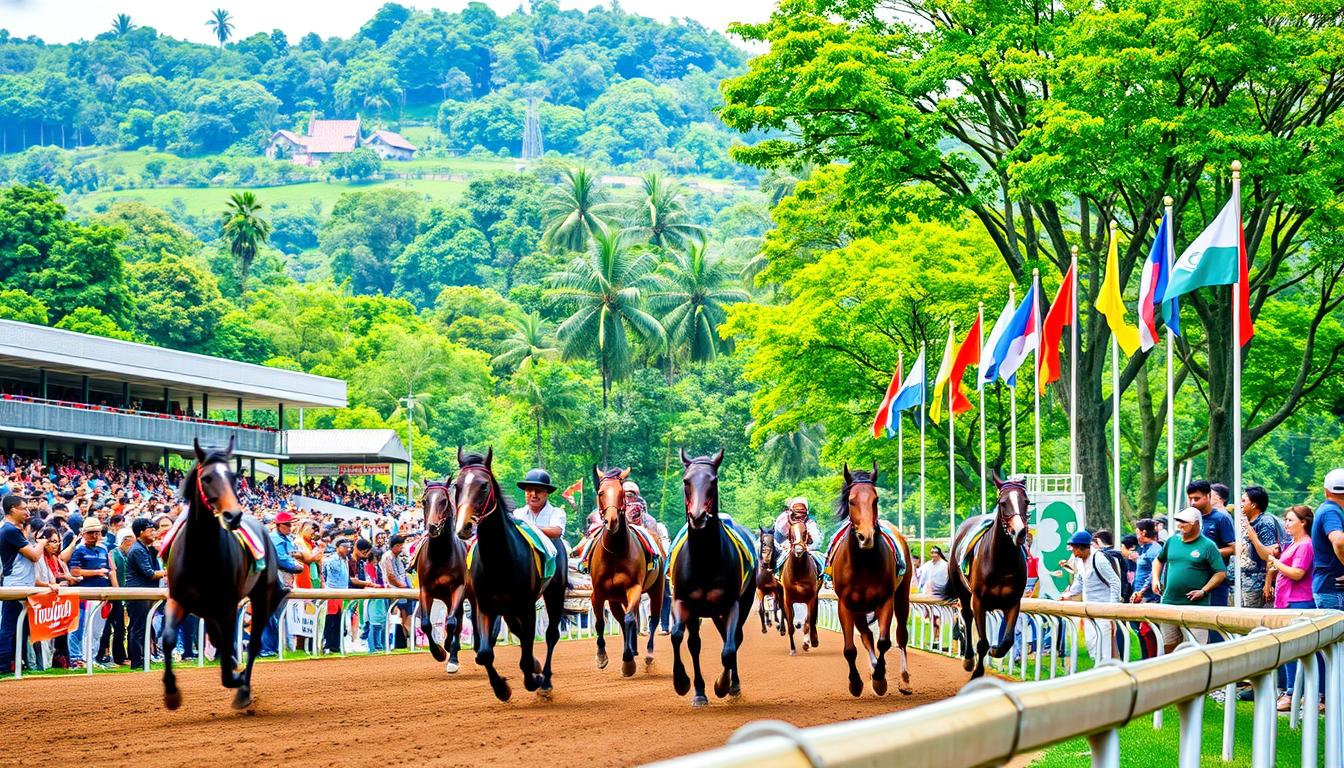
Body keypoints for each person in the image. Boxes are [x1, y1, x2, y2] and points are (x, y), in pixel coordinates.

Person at [1151, 507, 1227, 653]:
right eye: (1178, 521)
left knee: (1197, 648)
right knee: (1168, 644)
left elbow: (1220, 573)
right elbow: (1158, 560)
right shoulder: (1172, 541)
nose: (1179, 525)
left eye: (1184, 522)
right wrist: (1155, 579)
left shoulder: (1208, 546)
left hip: (1196, 606)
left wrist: (1203, 591)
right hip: (1169, 603)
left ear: (1196, 523)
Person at [1268, 504, 1316, 711]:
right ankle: (1293, 692)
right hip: (1285, 601)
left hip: (1299, 601)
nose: (1286, 524)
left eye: (1290, 520)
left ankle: (1294, 693)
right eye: (1286, 520)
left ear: (1303, 522)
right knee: (1288, 649)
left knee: (1295, 649)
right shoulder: (1293, 544)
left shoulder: (1305, 545)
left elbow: (1297, 573)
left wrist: (1275, 563)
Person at [1059, 530, 1121, 660]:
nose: (1073, 553)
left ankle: (1105, 674)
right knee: (1092, 645)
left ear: (1082, 548)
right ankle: (1098, 672)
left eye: (1074, 549)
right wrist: (1069, 595)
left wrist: (1112, 609)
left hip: (1104, 611)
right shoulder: (1080, 561)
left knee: (1104, 649)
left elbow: (1115, 582)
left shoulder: (1099, 559)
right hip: (1089, 609)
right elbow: (1079, 580)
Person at [64, 515, 117, 668]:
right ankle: (76, 659)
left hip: (102, 594)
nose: (95, 535)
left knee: (97, 629)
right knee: (79, 627)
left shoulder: (103, 548)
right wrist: (96, 572)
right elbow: (74, 571)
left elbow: (110, 569)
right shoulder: (79, 550)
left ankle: (91, 657)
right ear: (84, 534)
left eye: (97, 532)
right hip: (85, 595)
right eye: (91, 532)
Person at [0, 495, 41, 675]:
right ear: (12, 509)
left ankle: (17, 663)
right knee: (9, 628)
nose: (27, 511)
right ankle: (2, 666)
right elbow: (34, 556)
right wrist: (42, 542)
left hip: (19, 583)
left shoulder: (9, 529)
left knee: (19, 627)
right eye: (23, 508)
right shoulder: (9, 530)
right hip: (15, 584)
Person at [261, 511, 305, 657]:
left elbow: (289, 557)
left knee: (276, 615)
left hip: (282, 579)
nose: (290, 527)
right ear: (279, 525)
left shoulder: (285, 538)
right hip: (273, 579)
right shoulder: (275, 538)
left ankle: (273, 647)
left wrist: (294, 564)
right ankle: (267, 648)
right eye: (287, 524)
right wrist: (295, 565)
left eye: (291, 524)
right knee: (270, 615)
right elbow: (280, 559)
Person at [1237, 485, 1286, 609]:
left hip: (1257, 581)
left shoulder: (1264, 522)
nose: (1240, 504)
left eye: (1243, 501)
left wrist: (1254, 538)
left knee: (1251, 621)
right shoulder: (1245, 521)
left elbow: (1270, 556)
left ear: (1254, 505)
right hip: (1242, 580)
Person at [125, 517, 164, 669]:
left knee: (141, 627)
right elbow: (150, 573)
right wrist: (167, 572)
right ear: (141, 532)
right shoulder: (138, 550)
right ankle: (137, 662)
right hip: (138, 593)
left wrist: (155, 551)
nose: (154, 533)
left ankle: (141, 660)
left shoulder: (144, 548)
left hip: (143, 592)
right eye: (151, 530)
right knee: (139, 628)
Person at [1189, 480, 1234, 609]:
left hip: (1215, 582)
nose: (1193, 502)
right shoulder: (1189, 518)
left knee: (1213, 624)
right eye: (1190, 498)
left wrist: (1208, 553)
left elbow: (1235, 548)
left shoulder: (1221, 518)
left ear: (1208, 496)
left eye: (1197, 498)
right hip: (1192, 581)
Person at [1310, 468, 1344, 612]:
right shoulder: (1331, 511)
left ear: (1326, 491)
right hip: (1333, 589)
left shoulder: (1328, 509)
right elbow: (1338, 541)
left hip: (1329, 587)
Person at [1128, 519, 1162, 659]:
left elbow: (1154, 574)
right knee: (1141, 633)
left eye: (1137, 533)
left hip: (1149, 598)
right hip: (1140, 597)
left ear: (1144, 532)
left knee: (1149, 634)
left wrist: (1141, 591)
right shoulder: (1145, 549)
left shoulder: (1155, 550)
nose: (1136, 536)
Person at [514, 468, 566, 542]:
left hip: (553, 553)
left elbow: (557, 532)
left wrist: (528, 528)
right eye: (529, 490)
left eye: (538, 491)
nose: (533, 494)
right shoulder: (517, 514)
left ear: (546, 493)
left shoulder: (557, 513)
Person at [381, 535, 413, 649]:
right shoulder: (388, 557)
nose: (401, 548)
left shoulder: (398, 558)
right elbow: (390, 576)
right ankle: (393, 643)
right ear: (393, 546)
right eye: (398, 546)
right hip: (394, 592)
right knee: (396, 617)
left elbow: (402, 575)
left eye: (402, 545)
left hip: (403, 592)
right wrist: (403, 586)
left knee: (406, 616)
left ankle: (407, 642)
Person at [322, 539, 351, 654]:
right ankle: (328, 644)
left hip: (342, 592)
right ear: (338, 547)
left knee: (339, 620)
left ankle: (336, 645)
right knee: (330, 620)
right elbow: (324, 574)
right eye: (344, 547)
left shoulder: (345, 560)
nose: (347, 549)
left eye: (348, 547)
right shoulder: (331, 560)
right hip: (332, 592)